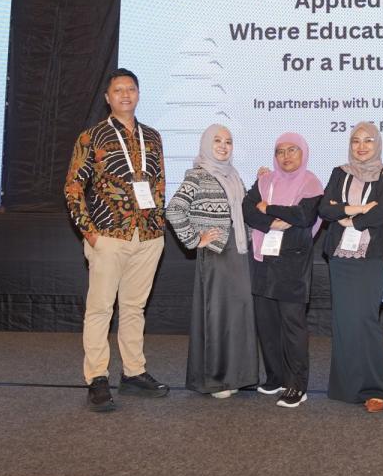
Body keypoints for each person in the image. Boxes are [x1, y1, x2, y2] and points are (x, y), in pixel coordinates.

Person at [65, 68, 170, 412]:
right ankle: (97, 378)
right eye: (118, 90)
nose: (126, 94)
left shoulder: (152, 136)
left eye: (131, 89)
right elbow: (73, 187)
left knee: (134, 308)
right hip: (108, 236)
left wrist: (158, 225)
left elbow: (158, 185)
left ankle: (133, 372)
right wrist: (90, 233)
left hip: (148, 236)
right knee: (100, 309)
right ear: (107, 97)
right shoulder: (91, 137)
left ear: (138, 94)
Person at [166, 125, 260, 398]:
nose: (223, 146)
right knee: (218, 316)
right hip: (217, 254)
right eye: (217, 140)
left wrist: (260, 182)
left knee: (240, 315)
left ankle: (239, 376)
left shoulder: (234, 175)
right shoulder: (197, 175)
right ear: (207, 144)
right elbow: (174, 210)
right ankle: (217, 379)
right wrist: (196, 238)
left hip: (239, 252)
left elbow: (244, 210)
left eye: (228, 141)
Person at [318, 122, 383, 412]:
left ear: (377, 144)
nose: (361, 146)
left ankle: (377, 388)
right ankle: (347, 386)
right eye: (356, 141)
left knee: (365, 320)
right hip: (340, 257)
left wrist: (349, 218)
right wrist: (358, 209)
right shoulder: (340, 172)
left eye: (368, 141)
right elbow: (324, 208)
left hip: (371, 258)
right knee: (343, 321)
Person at [241, 132, 323, 408]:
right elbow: (248, 210)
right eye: (280, 151)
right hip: (263, 260)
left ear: (303, 153)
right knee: (267, 324)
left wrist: (268, 208)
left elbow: (304, 216)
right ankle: (276, 377)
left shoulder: (311, 182)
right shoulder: (265, 181)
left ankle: (297, 385)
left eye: (292, 150)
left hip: (292, 263)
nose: (286, 156)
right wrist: (273, 221)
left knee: (292, 326)